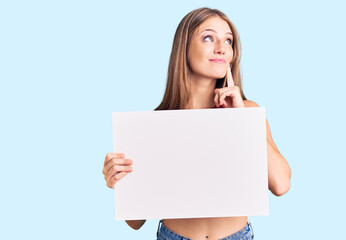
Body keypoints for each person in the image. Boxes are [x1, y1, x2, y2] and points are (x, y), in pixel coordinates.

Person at [102, 7, 291, 240]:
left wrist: (242, 121)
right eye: (208, 38)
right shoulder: (155, 124)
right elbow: (136, 221)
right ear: (184, 48)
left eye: (228, 41)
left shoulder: (247, 111)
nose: (221, 48)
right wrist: (117, 181)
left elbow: (281, 185)